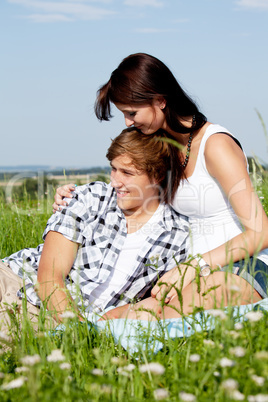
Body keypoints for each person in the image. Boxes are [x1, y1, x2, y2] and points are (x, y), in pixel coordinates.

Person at [54, 53, 268, 321]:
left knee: (158, 320)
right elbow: (129, 182)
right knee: (111, 321)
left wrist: (195, 265)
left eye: (131, 112)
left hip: (243, 266)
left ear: (160, 101)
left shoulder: (215, 146)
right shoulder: (163, 145)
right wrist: (73, 195)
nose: (127, 122)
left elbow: (261, 232)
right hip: (188, 273)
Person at [0, 128, 189, 332]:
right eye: (113, 169)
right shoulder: (91, 197)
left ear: (158, 175)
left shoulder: (176, 235)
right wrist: (78, 329)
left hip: (54, 315)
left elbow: (156, 300)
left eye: (127, 173)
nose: (115, 181)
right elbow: (49, 276)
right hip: (20, 280)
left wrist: (93, 328)